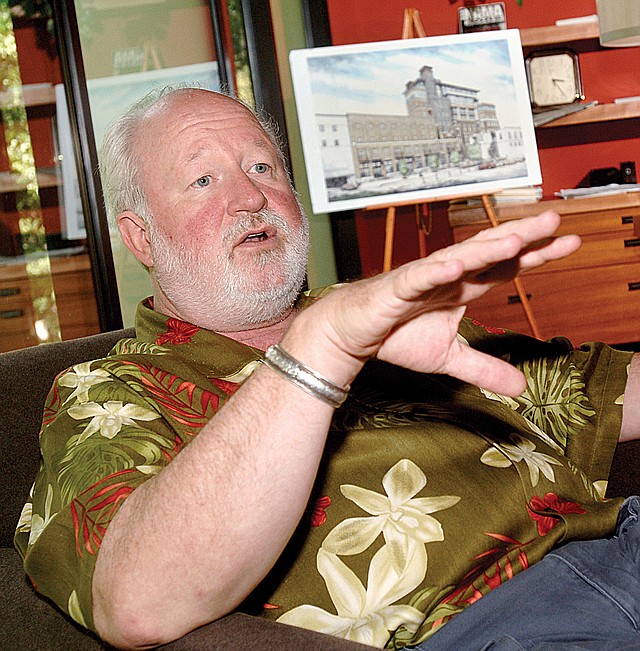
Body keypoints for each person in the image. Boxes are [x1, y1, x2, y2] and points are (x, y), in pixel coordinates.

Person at [14, 87, 640, 651]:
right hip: (507, 626)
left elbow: (593, 390)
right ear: (141, 237)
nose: (251, 197)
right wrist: (317, 350)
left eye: (262, 168)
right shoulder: (112, 392)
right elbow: (136, 603)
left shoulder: (384, 316)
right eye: (202, 180)